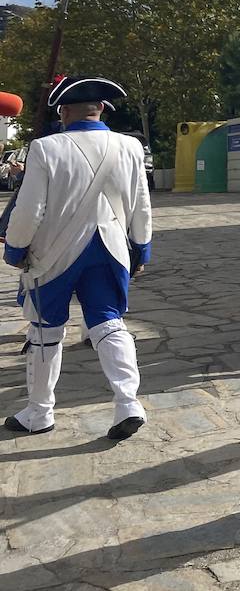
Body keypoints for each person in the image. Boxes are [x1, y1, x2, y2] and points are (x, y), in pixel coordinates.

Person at [3, 75, 153, 439]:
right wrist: (141, 246)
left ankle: (39, 413)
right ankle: (128, 403)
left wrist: (15, 247)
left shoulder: (45, 148)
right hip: (112, 248)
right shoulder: (129, 146)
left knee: (44, 332)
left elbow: (29, 208)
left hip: (54, 254)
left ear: (64, 111)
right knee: (109, 323)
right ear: (100, 108)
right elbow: (141, 204)